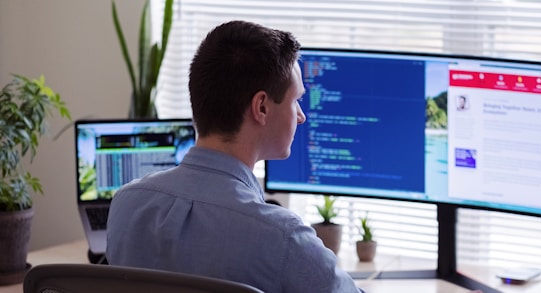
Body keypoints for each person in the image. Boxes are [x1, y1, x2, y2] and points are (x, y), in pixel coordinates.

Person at [106, 20, 363, 293]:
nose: (301, 116)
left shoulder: (126, 205)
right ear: (261, 107)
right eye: (295, 100)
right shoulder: (283, 239)